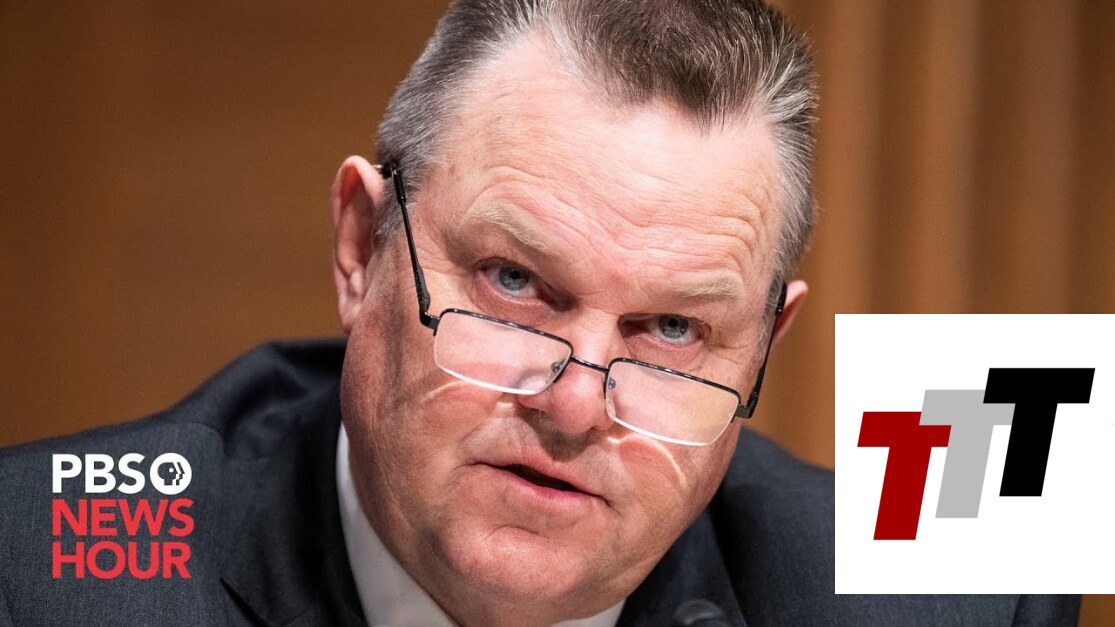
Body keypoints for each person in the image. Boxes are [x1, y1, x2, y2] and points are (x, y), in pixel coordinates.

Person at [0, 1, 1080, 625]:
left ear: (763, 349)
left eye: (672, 331)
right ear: (360, 247)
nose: (573, 406)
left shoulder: (968, 598)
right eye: (514, 283)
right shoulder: (38, 570)